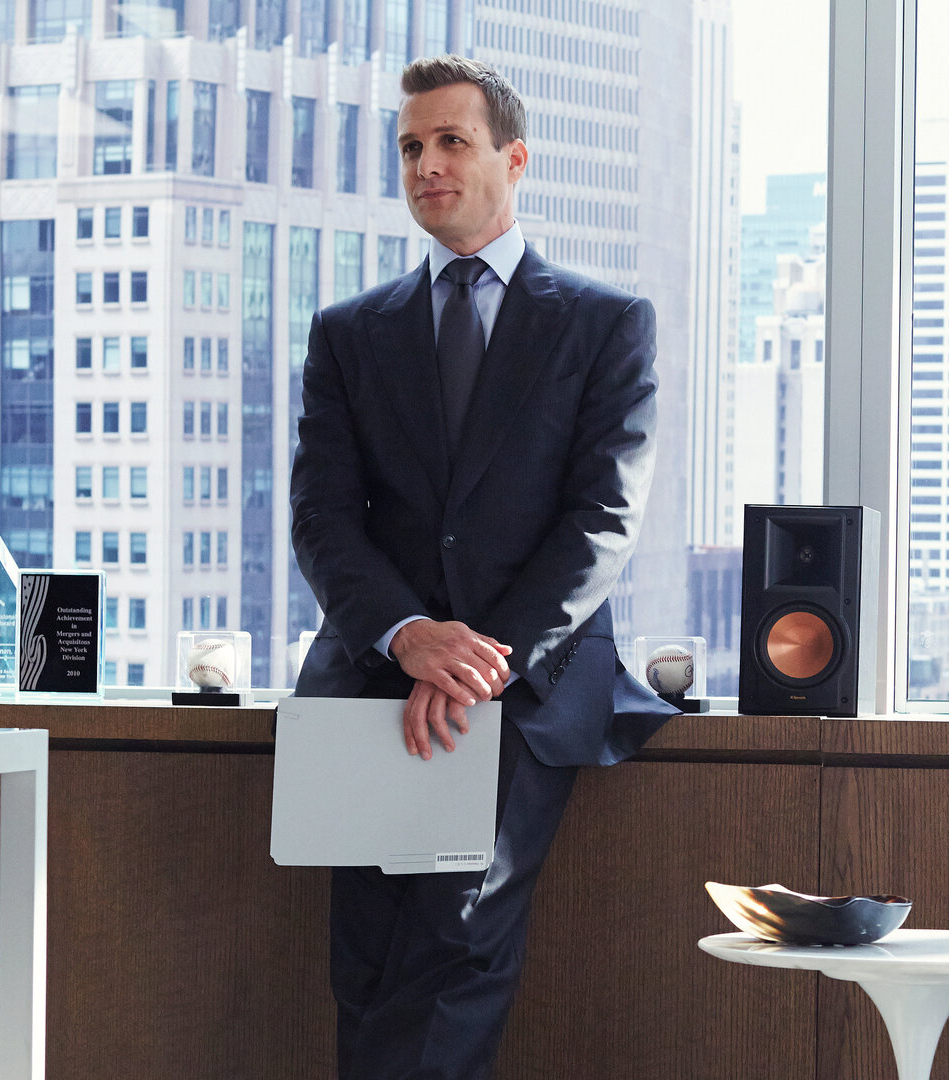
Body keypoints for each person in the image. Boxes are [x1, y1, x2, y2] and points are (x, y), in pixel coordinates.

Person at [289, 54, 675, 1080]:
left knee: (454, 950)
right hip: (376, 683)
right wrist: (411, 638)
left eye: (451, 142)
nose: (426, 165)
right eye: (411, 147)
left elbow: (604, 518)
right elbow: (323, 520)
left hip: (521, 689)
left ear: (515, 158)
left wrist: (476, 659)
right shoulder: (347, 334)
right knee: (366, 964)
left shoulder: (604, 324)